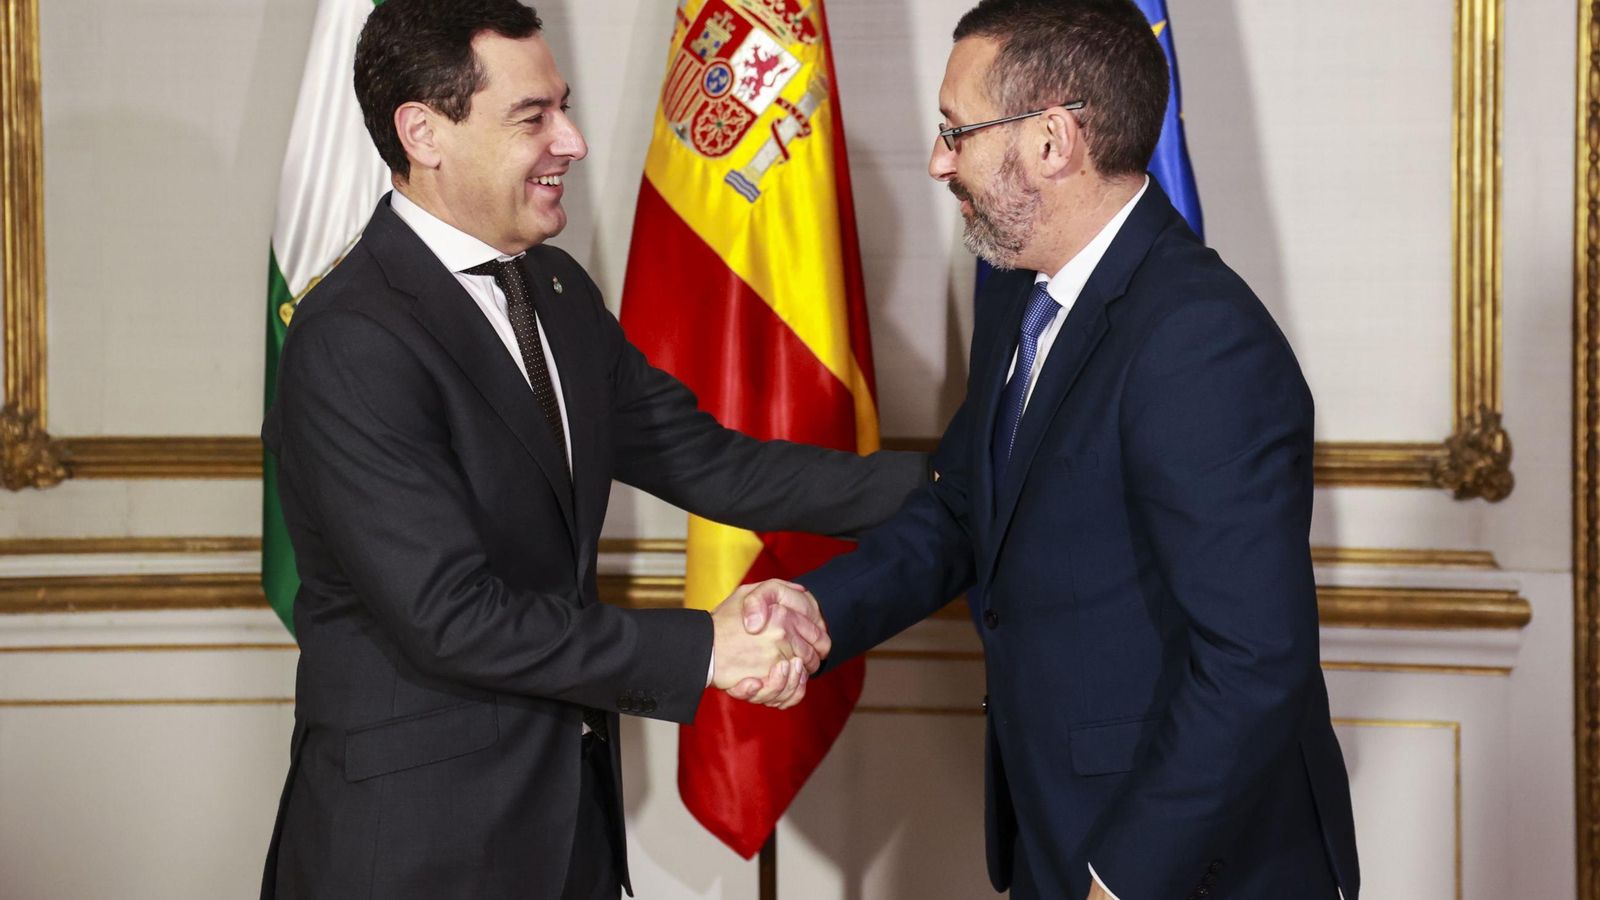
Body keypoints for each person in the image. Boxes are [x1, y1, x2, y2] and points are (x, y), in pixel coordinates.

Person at [258, 1, 925, 898]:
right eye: (533, 117)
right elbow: (450, 615)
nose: (571, 140)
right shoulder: (352, 335)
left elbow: (714, 464)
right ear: (423, 132)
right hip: (414, 846)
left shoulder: (556, 288)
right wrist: (706, 650)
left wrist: (958, 485)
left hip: (565, 824)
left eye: (562, 107)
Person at [738, 1, 1360, 897]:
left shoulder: (1199, 341)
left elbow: (1252, 660)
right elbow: (967, 504)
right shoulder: (1019, 292)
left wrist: (1123, 876)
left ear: (1053, 141)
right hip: (1058, 831)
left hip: (1184, 861)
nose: (938, 160)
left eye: (957, 130)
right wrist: (821, 612)